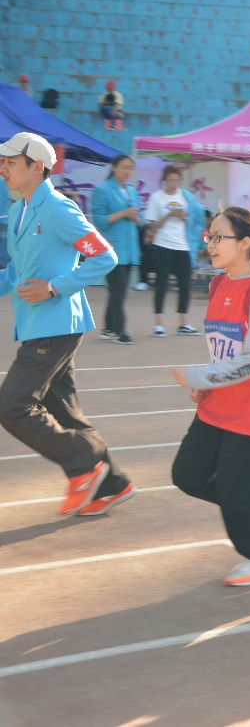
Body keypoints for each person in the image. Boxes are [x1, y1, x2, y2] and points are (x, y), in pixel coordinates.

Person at [0, 133, 133, 516]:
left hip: (57, 324)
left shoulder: (58, 208)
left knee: (12, 405)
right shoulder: (18, 212)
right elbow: (15, 273)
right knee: (65, 414)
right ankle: (113, 484)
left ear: (37, 167)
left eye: (11, 161)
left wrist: (54, 287)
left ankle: (85, 463)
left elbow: (105, 257)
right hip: (36, 325)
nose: (3, 168)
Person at [168, 207, 250, 587]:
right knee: (187, 475)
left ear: (245, 243)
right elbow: (224, 347)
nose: (211, 243)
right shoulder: (218, 283)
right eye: (209, 236)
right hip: (220, 400)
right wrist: (207, 382)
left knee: (233, 489)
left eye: (219, 237)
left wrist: (200, 375)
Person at [145, 165, 203, 337]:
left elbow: (195, 220)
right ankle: (158, 324)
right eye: (170, 180)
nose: (174, 184)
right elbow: (153, 226)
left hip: (183, 247)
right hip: (163, 246)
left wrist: (184, 217)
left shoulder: (186, 197)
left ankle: (183, 323)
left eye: (177, 181)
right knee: (161, 284)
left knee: (185, 285)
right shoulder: (157, 197)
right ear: (164, 180)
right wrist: (169, 215)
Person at [90, 155, 142, 345]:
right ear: (114, 168)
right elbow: (100, 220)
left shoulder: (131, 191)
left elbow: (139, 219)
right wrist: (123, 213)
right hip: (112, 249)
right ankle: (120, 331)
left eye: (130, 168)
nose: (127, 171)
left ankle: (109, 328)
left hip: (129, 249)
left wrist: (136, 218)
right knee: (118, 291)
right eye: (123, 167)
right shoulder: (103, 190)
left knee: (118, 291)